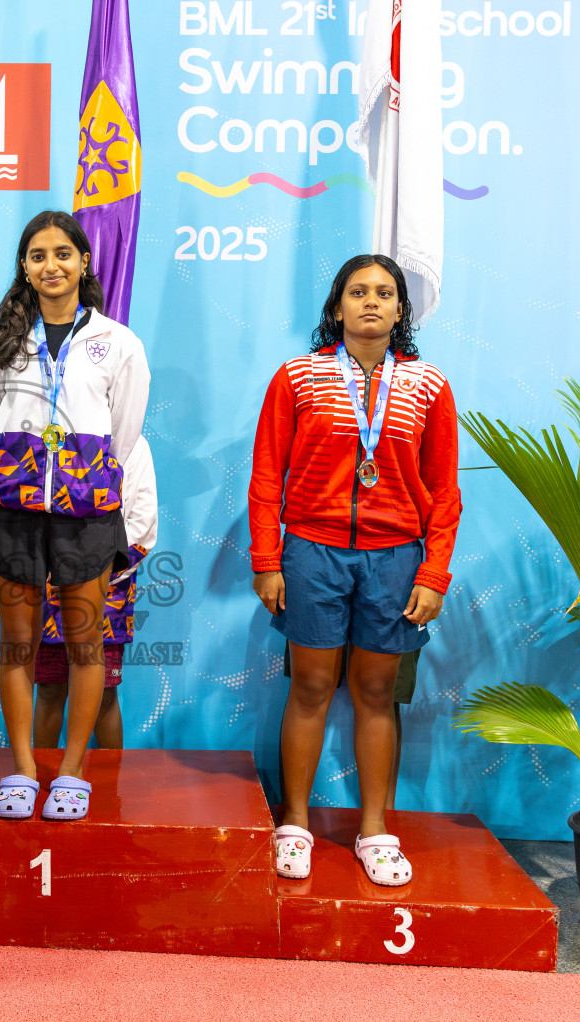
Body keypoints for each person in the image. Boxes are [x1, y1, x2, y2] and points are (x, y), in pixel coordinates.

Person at [248, 254, 461, 886]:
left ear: (401, 310)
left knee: (374, 695)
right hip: (311, 554)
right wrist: (267, 560)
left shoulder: (428, 387)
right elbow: (266, 476)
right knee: (310, 689)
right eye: (358, 291)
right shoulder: (297, 379)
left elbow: (444, 493)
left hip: (396, 561)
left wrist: (433, 575)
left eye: (385, 293)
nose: (371, 302)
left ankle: (375, 830)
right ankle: (294, 823)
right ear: (336, 306)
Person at [0, 210, 150, 822]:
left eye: (63, 253)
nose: (51, 265)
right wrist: (20, 472)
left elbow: (124, 431)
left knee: (85, 646)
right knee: (17, 647)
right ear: (25, 266)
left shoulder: (117, 342)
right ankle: (22, 768)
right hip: (15, 510)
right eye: (38, 254)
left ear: (84, 262)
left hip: (86, 513)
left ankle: (72, 772)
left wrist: (81, 477)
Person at [32, 434, 157, 751]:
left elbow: (143, 523)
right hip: (49, 586)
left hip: (107, 591)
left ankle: (109, 787)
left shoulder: (134, 445)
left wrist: (100, 573)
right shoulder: (47, 437)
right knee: (49, 687)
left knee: (103, 692)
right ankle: (40, 777)